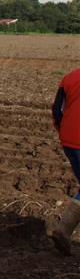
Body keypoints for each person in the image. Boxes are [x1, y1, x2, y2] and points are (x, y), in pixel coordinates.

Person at [51, 66, 80, 255]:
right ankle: (63, 230)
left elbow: (57, 110)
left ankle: (64, 230)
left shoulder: (70, 77)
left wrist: (64, 131)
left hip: (70, 140)